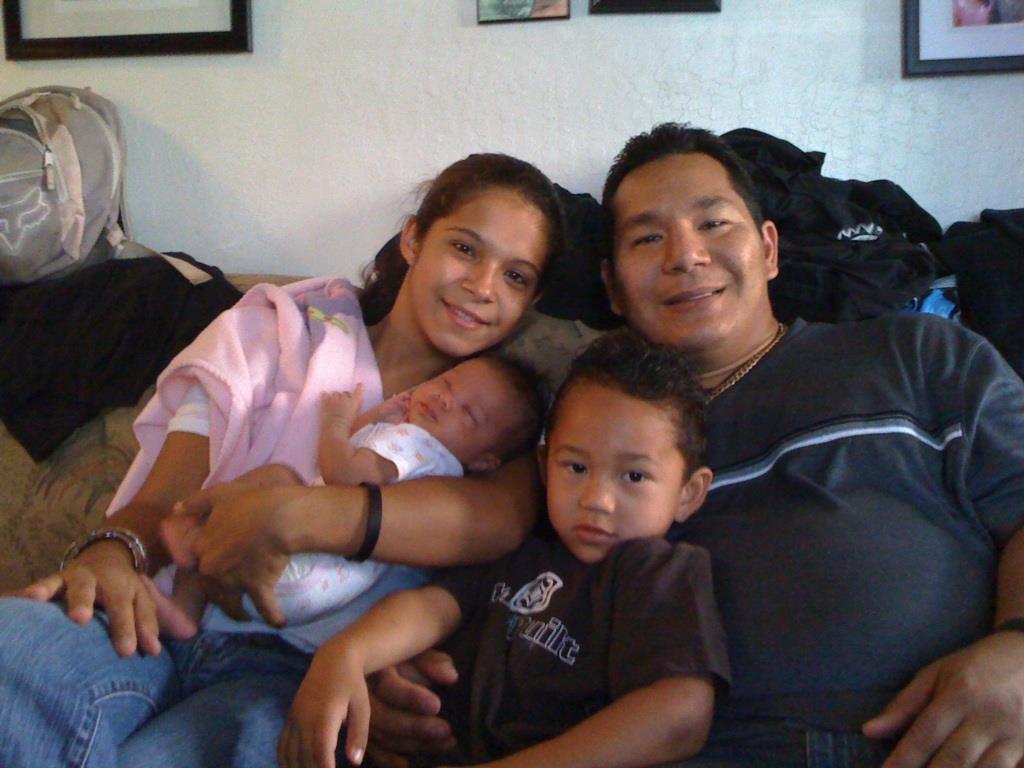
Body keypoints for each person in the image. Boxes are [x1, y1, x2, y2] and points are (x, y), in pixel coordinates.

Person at [368, 124, 1024, 768]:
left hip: (907, 739)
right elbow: (496, 576)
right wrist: (406, 662)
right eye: (648, 237)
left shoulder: (916, 354)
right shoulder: (579, 419)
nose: (684, 255)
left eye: (714, 224)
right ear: (614, 288)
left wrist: (1019, 652)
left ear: (769, 249)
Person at [0, 151, 565, 768]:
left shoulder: (503, 430)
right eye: (464, 249)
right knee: (17, 649)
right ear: (413, 240)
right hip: (156, 614)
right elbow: (162, 506)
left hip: (290, 671)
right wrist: (110, 550)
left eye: (516, 276)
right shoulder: (277, 331)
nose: (482, 286)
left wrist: (287, 519)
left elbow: (494, 522)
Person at [278, 329, 727, 768]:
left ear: (689, 492)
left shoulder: (658, 571)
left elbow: (680, 714)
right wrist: (347, 653)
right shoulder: (522, 547)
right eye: (575, 466)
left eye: (633, 477)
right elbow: (432, 607)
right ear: (544, 467)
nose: (596, 500)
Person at [158, 356, 544, 640]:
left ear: (486, 460)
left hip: (295, 561)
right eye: (446, 383)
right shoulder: (439, 473)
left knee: (280, 477)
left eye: (470, 414)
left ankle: (193, 533)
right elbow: (364, 452)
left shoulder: (416, 445)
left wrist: (335, 422)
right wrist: (382, 414)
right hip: (322, 596)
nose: (446, 400)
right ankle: (185, 617)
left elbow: (344, 474)